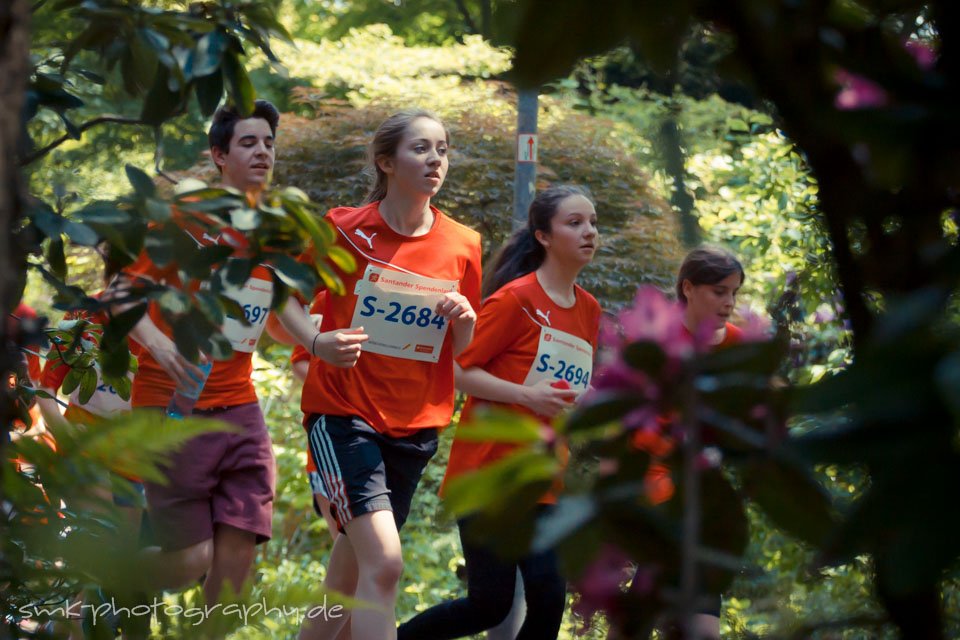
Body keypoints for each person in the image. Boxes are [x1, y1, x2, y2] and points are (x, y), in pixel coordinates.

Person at [114, 99, 345, 606]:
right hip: (170, 408)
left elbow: (282, 312)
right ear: (218, 155)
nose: (263, 151)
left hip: (240, 409)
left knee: (237, 557)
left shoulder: (280, 231)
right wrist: (160, 344)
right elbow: (120, 294)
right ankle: (105, 581)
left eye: (268, 142)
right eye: (248, 142)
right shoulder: (185, 217)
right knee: (192, 560)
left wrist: (317, 340)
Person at [297, 109, 482, 640]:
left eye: (442, 149)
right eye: (421, 149)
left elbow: (466, 351)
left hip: (415, 426)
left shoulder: (463, 243)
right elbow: (281, 297)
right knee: (385, 565)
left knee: (349, 573)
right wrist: (315, 342)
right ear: (386, 161)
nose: (435, 160)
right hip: (344, 414)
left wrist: (465, 321)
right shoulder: (344, 229)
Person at [398, 185, 602, 640]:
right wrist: (527, 396)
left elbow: (567, 383)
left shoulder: (589, 309)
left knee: (549, 597)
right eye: (575, 223)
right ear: (544, 236)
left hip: (544, 476)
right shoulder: (516, 299)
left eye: (592, 223)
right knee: (489, 605)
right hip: (489, 473)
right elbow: (458, 372)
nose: (589, 232)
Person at [627, 245, 746, 640]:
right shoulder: (656, 341)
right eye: (719, 291)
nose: (729, 303)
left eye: (734, 292)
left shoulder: (741, 347)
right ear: (688, 288)